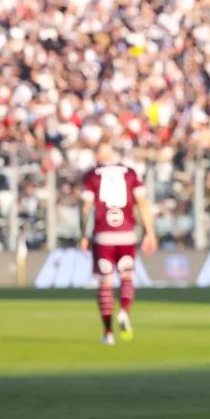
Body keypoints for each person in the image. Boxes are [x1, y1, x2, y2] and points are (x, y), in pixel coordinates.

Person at [79, 142, 158, 345]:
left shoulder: (92, 175)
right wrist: (149, 232)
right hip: (127, 234)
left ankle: (108, 333)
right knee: (127, 277)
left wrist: (83, 235)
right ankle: (124, 310)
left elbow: (85, 207)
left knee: (105, 282)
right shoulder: (130, 173)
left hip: (103, 235)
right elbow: (143, 204)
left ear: (98, 155)